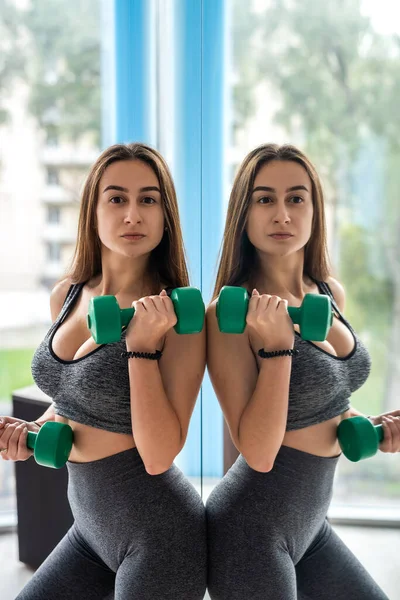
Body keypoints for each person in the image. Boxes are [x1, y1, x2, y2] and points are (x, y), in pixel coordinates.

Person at [0, 142, 207, 600]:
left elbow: (159, 456)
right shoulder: (69, 295)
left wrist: (141, 350)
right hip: (90, 531)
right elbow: (76, 399)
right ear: (92, 212)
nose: (132, 214)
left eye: (148, 200)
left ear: (165, 215)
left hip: (160, 540)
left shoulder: (180, 318)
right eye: (116, 198)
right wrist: (32, 430)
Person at [205, 143, 399, 600]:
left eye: (296, 198)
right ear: (244, 214)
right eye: (265, 199)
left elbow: (322, 404)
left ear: (315, 211)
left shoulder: (329, 292)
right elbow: (256, 450)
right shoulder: (229, 315)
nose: (282, 214)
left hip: (310, 527)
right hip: (250, 534)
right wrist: (277, 349)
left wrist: (371, 427)